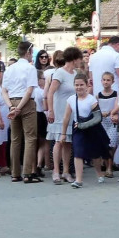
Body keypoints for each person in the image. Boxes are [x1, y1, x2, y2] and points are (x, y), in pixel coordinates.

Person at [2, 41, 39, 183]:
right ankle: (27, 173)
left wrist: (11, 106)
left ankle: (15, 173)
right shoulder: (30, 69)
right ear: (28, 52)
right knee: (30, 138)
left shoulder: (10, 69)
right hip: (26, 103)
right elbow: (29, 90)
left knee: (15, 139)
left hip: (12, 101)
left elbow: (4, 90)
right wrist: (19, 108)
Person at [45, 47, 81, 184]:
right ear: (74, 59)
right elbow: (50, 92)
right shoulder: (60, 72)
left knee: (68, 143)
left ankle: (66, 171)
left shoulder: (76, 73)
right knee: (59, 141)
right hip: (59, 111)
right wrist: (51, 110)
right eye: (79, 59)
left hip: (71, 112)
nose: (80, 61)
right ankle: (56, 171)